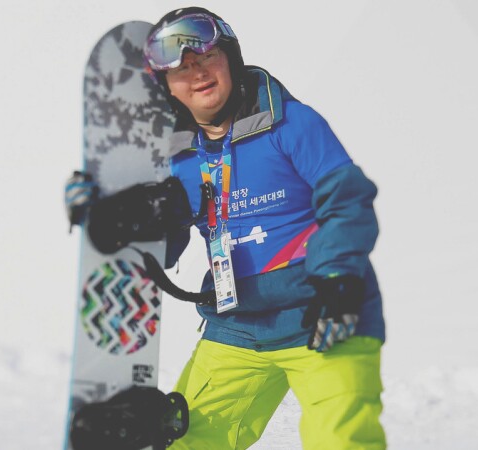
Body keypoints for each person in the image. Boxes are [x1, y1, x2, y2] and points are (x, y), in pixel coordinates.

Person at [143, 7, 387, 449]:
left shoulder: (292, 124)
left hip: (325, 316)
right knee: (189, 443)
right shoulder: (177, 157)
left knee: (342, 442)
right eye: (181, 69)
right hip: (238, 325)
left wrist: (338, 284)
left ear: (231, 59)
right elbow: (162, 248)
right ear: (166, 87)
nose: (197, 73)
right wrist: (111, 214)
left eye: (207, 57)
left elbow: (347, 201)